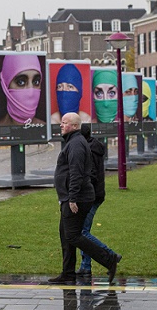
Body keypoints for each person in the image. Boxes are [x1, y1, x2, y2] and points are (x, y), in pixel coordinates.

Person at [50, 112, 122, 285]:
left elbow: (77, 173)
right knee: (66, 234)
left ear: (75, 126)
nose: (61, 125)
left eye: (65, 123)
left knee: (74, 236)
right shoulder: (74, 142)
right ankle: (68, 273)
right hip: (71, 197)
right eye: (61, 122)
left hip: (76, 198)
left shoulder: (75, 144)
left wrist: (72, 198)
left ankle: (109, 258)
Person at [76, 123, 118, 277]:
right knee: (83, 231)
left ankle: (110, 255)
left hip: (91, 196)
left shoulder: (88, 150)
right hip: (96, 194)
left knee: (82, 232)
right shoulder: (95, 147)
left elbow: (90, 174)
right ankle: (85, 266)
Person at [0, 54, 45, 126]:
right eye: (21, 82)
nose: (31, 92)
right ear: (5, 85)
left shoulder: (47, 129)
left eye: (36, 82)